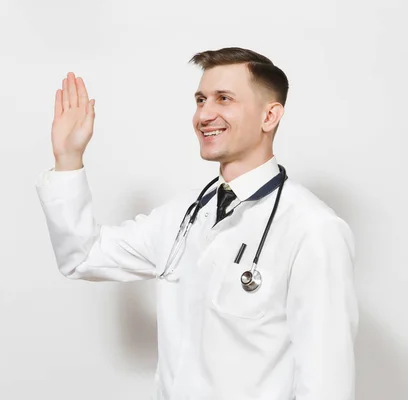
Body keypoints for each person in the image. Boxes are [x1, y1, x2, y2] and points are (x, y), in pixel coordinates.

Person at [35, 47, 358, 400]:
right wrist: (68, 158)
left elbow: (328, 382)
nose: (205, 114)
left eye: (224, 99)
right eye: (201, 99)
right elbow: (83, 256)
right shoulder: (183, 214)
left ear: (269, 116)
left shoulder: (314, 229)